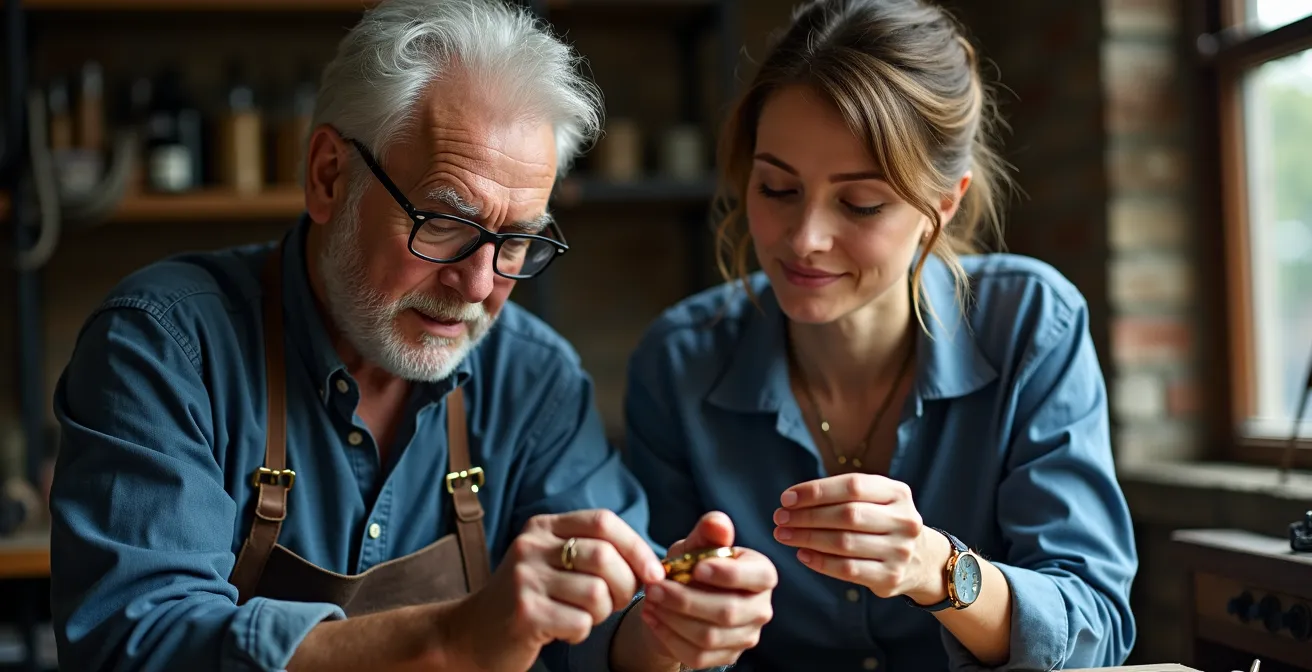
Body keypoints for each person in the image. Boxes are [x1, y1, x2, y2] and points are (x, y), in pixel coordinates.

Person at [47, 1, 776, 671]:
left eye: (517, 242)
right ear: (330, 177)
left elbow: (598, 634)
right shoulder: (166, 346)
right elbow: (136, 642)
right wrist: (453, 638)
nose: (480, 283)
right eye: (447, 224)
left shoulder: (532, 377)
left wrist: (665, 628)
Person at [623, 0, 1139, 670]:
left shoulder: (1033, 324)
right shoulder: (676, 361)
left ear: (941, 206)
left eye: (860, 202)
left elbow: (1094, 626)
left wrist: (937, 568)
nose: (805, 240)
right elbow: (641, 629)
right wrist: (682, 621)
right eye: (777, 188)